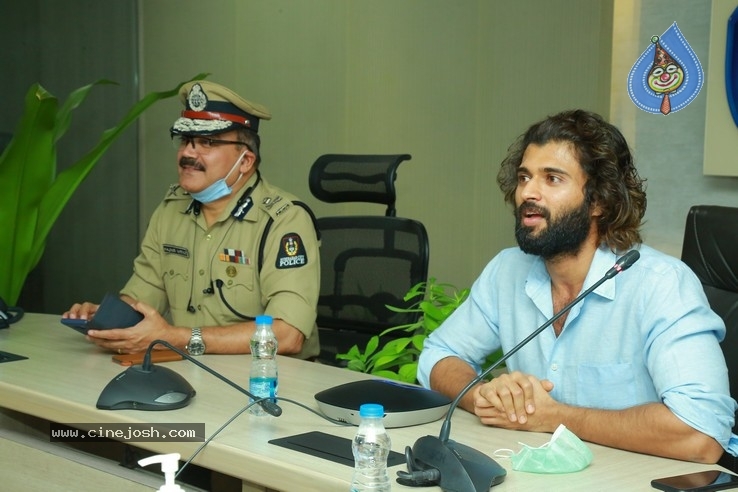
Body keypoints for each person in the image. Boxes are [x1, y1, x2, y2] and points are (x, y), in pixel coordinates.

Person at [418, 109, 738, 463]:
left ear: (599, 200)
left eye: (552, 179)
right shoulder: (507, 270)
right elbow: (437, 355)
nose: (528, 193)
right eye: (524, 177)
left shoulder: (661, 286)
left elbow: (701, 434)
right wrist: (483, 397)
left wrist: (554, 417)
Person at [63, 81, 321, 359]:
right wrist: (108, 318)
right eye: (185, 140)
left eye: (207, 143)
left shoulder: (285, 221)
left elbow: (287, 336)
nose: (187, 153)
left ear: (245, 161)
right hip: (187, 370)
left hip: (267, 381)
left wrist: (179, 338)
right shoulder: (171, 210)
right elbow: (143, 296)